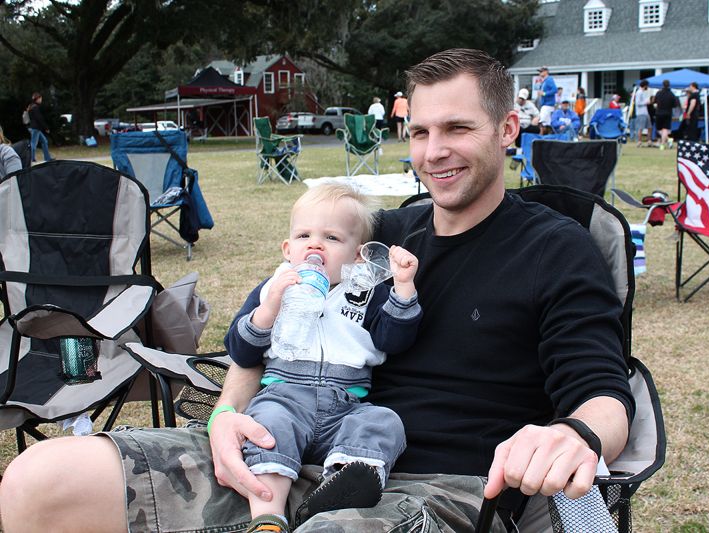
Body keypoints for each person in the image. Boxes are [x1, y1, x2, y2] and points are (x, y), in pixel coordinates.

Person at [0, 48, 633, 533]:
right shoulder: (381, 234)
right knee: (39, 480)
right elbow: (277, 326)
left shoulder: (556, 248)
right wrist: (225, 416)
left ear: (507, 129)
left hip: (441, 488)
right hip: (291, 446)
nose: (434, 152)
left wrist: (570, 435)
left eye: (457, 129)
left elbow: (605, 398)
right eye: (418, 132)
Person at [230, 183, 422, 532]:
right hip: (284, 395)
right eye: (304, 235)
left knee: (384, 422)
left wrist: (403, 289)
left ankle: (343, 484)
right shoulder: (272, 289)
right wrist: (268, 311)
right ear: (288, 249)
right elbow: (241, 351)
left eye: (332, 238)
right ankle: (267, 519)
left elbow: (394, 339)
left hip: (347, 405)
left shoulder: (366, 294)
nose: (315, 245)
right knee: (267, 427)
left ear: (358, 255)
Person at [27, 92, 54, 163]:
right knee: (33, 143)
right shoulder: (35, 107)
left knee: (44, 141)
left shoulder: (31, 106)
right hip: (35, 128)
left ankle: (47, 158)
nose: (41, 100)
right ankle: (31, 158)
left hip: (33, 127)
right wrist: (46, 128)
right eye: (40, 98)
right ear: (37, 99)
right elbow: (39, 118)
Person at [654, 79, 680, 150]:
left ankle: (663, 143)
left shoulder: (658, 93)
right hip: (668, 113)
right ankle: (667, 140)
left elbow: (654, 101)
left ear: (662, 85)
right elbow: (675, 105)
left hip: (659, 113)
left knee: (659, 129)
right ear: (669, 85)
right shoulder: (671, 94)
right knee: (665, 129)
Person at [633, 81, 654, 147]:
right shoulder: (639, 92)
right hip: (641, 113)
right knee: (640, 128)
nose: (647, 87)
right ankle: (639, 141)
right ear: (645, 85)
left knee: (650, 127)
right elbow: (638, 103)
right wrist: (646, 102)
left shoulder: (642, 92)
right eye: (647, 85)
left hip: (645, 112)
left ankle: (649, 141)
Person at [537, 66, 558, 131]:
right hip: (545, 104)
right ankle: (547, 137)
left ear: (546, 72)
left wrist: (544, 93)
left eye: (541, 71)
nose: (540, 73)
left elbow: (555, 90)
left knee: (541, 121)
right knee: (547, 123)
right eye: (540, 71)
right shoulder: (544, 81)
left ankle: (541, 135)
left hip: (548, 104)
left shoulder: (549, 79)